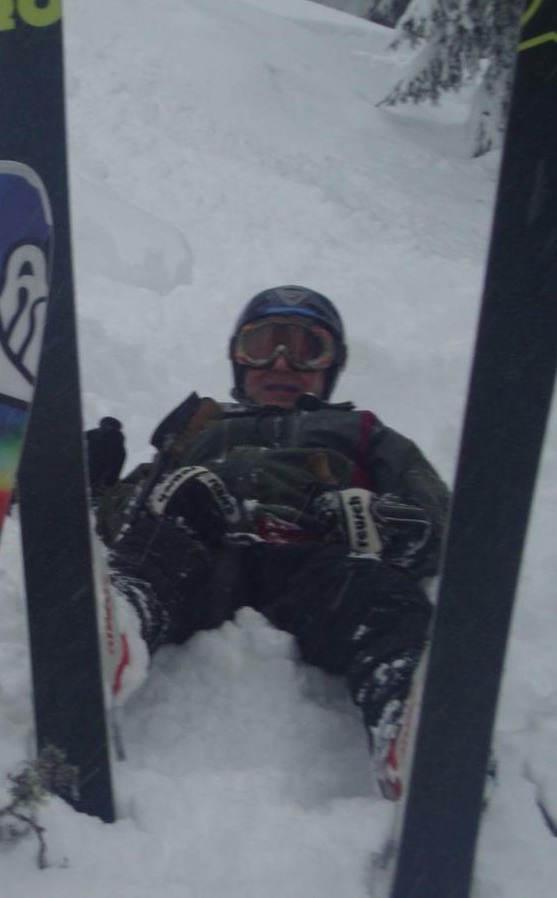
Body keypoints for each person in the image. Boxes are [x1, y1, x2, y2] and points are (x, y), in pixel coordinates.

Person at [92, 285, 450, 799]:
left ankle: (409, 712)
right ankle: (120, 623)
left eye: (307, 350)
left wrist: (396, 526)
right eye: (263, 346)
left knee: (381, 598)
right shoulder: (200, 431)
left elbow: (437, 512)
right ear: (240, 360)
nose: (282, 362)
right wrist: (91, 486)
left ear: (331, 367)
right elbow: (133, 511)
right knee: (162, 534)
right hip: (202, 553)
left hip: (315, 556)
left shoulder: (363, 431)